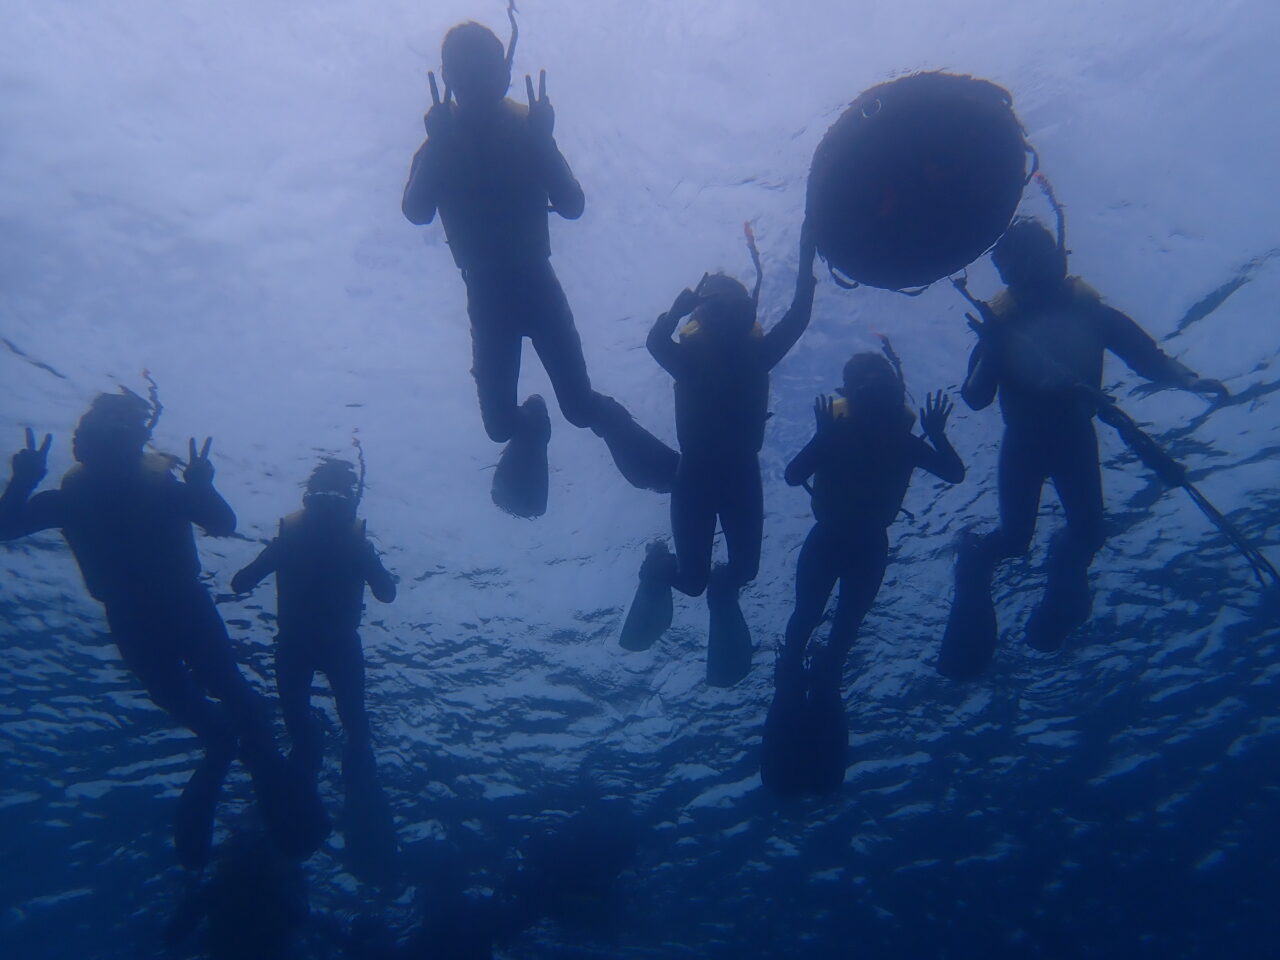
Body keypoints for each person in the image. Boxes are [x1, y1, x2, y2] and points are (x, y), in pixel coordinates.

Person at [0, 392, 327, 868]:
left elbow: (221, 521)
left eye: (113, 433)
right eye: (97, 433)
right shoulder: (82, 498)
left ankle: (270, 810)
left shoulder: (107, 496)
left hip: (166, 613)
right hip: (160, 615)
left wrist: (202, 486)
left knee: (236, 712)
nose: (102, 443)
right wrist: (21, 483)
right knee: (231, 715)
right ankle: (273, 808)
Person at [401, 21, 677, 518]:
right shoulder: (444, 140)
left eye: (486, 71)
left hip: (528, 285)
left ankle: (605, 442)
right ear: (451, 81)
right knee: (503, 424)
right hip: (493, 294)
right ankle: (537, 426)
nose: (481, 84)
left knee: (577, 406)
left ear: (502, 72)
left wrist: (543, 140)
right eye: (469, 74)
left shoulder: (521, 128)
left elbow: (572, 204)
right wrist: (444, 144)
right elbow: (415, 210)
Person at [938, 218, 1229, 679]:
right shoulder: (1005, 324)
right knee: (1016, 539)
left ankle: (1055, 584)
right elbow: (975, 398)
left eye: (1029, 261)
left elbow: (1147, 358)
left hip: (1073, 438)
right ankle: (975, 561)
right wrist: (993, 350)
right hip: (1028, 442)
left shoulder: (1091, 314)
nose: (1025, 275)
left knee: (1088, 533)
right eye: (1014, 267)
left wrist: (1192, 381)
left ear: (1053, 259)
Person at [620, 230, 817, 686]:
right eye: (715, 307)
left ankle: (720, 593)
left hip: (738, 474)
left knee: (742, 570)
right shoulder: (692, 359)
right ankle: (657, 566)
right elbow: (654, 342)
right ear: (703, 316)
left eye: (731, 306)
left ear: (744, 314)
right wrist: (677, 309)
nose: (724, 314)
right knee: (691, 581)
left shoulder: (757, 354)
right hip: (699, 475)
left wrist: (807, 250)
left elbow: (800, 314)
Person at [762, 352, 965, 795]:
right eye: (862, 382)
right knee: (814, 621)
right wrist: (822, 438)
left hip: (850, 542)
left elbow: (954, 474)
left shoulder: (888, 438)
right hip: (853, 542)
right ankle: (802, 675)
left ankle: (803, 677)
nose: (870, 388)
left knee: (826, 624)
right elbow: (794, 475)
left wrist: (935, 436)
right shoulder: (875, 437)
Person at [232, 458, 398, 884]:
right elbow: (387, 593)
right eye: (323, 497)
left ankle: (307, 806)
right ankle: (337, 800)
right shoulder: (327, 539)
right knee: (349, 731)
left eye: (333, 497)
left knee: (319, 731)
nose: (327, 507)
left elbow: (241, 582)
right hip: (327, 644)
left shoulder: (303, 537)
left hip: (303, 644)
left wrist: (365, 558)